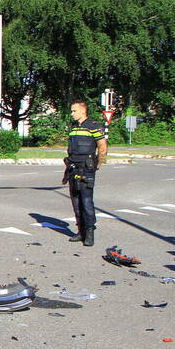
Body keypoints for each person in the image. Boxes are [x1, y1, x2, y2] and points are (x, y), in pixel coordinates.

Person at [63, 100, 108, 247]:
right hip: (73, 167)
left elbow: (102, 146)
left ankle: (89, 233)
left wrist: (99, 163)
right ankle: (80, 231)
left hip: (86, 168)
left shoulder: (93, 126)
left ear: (83, 111)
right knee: (76, 201)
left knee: (86, 201)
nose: (72, 113)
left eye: (74, 111)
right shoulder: (73, 127)